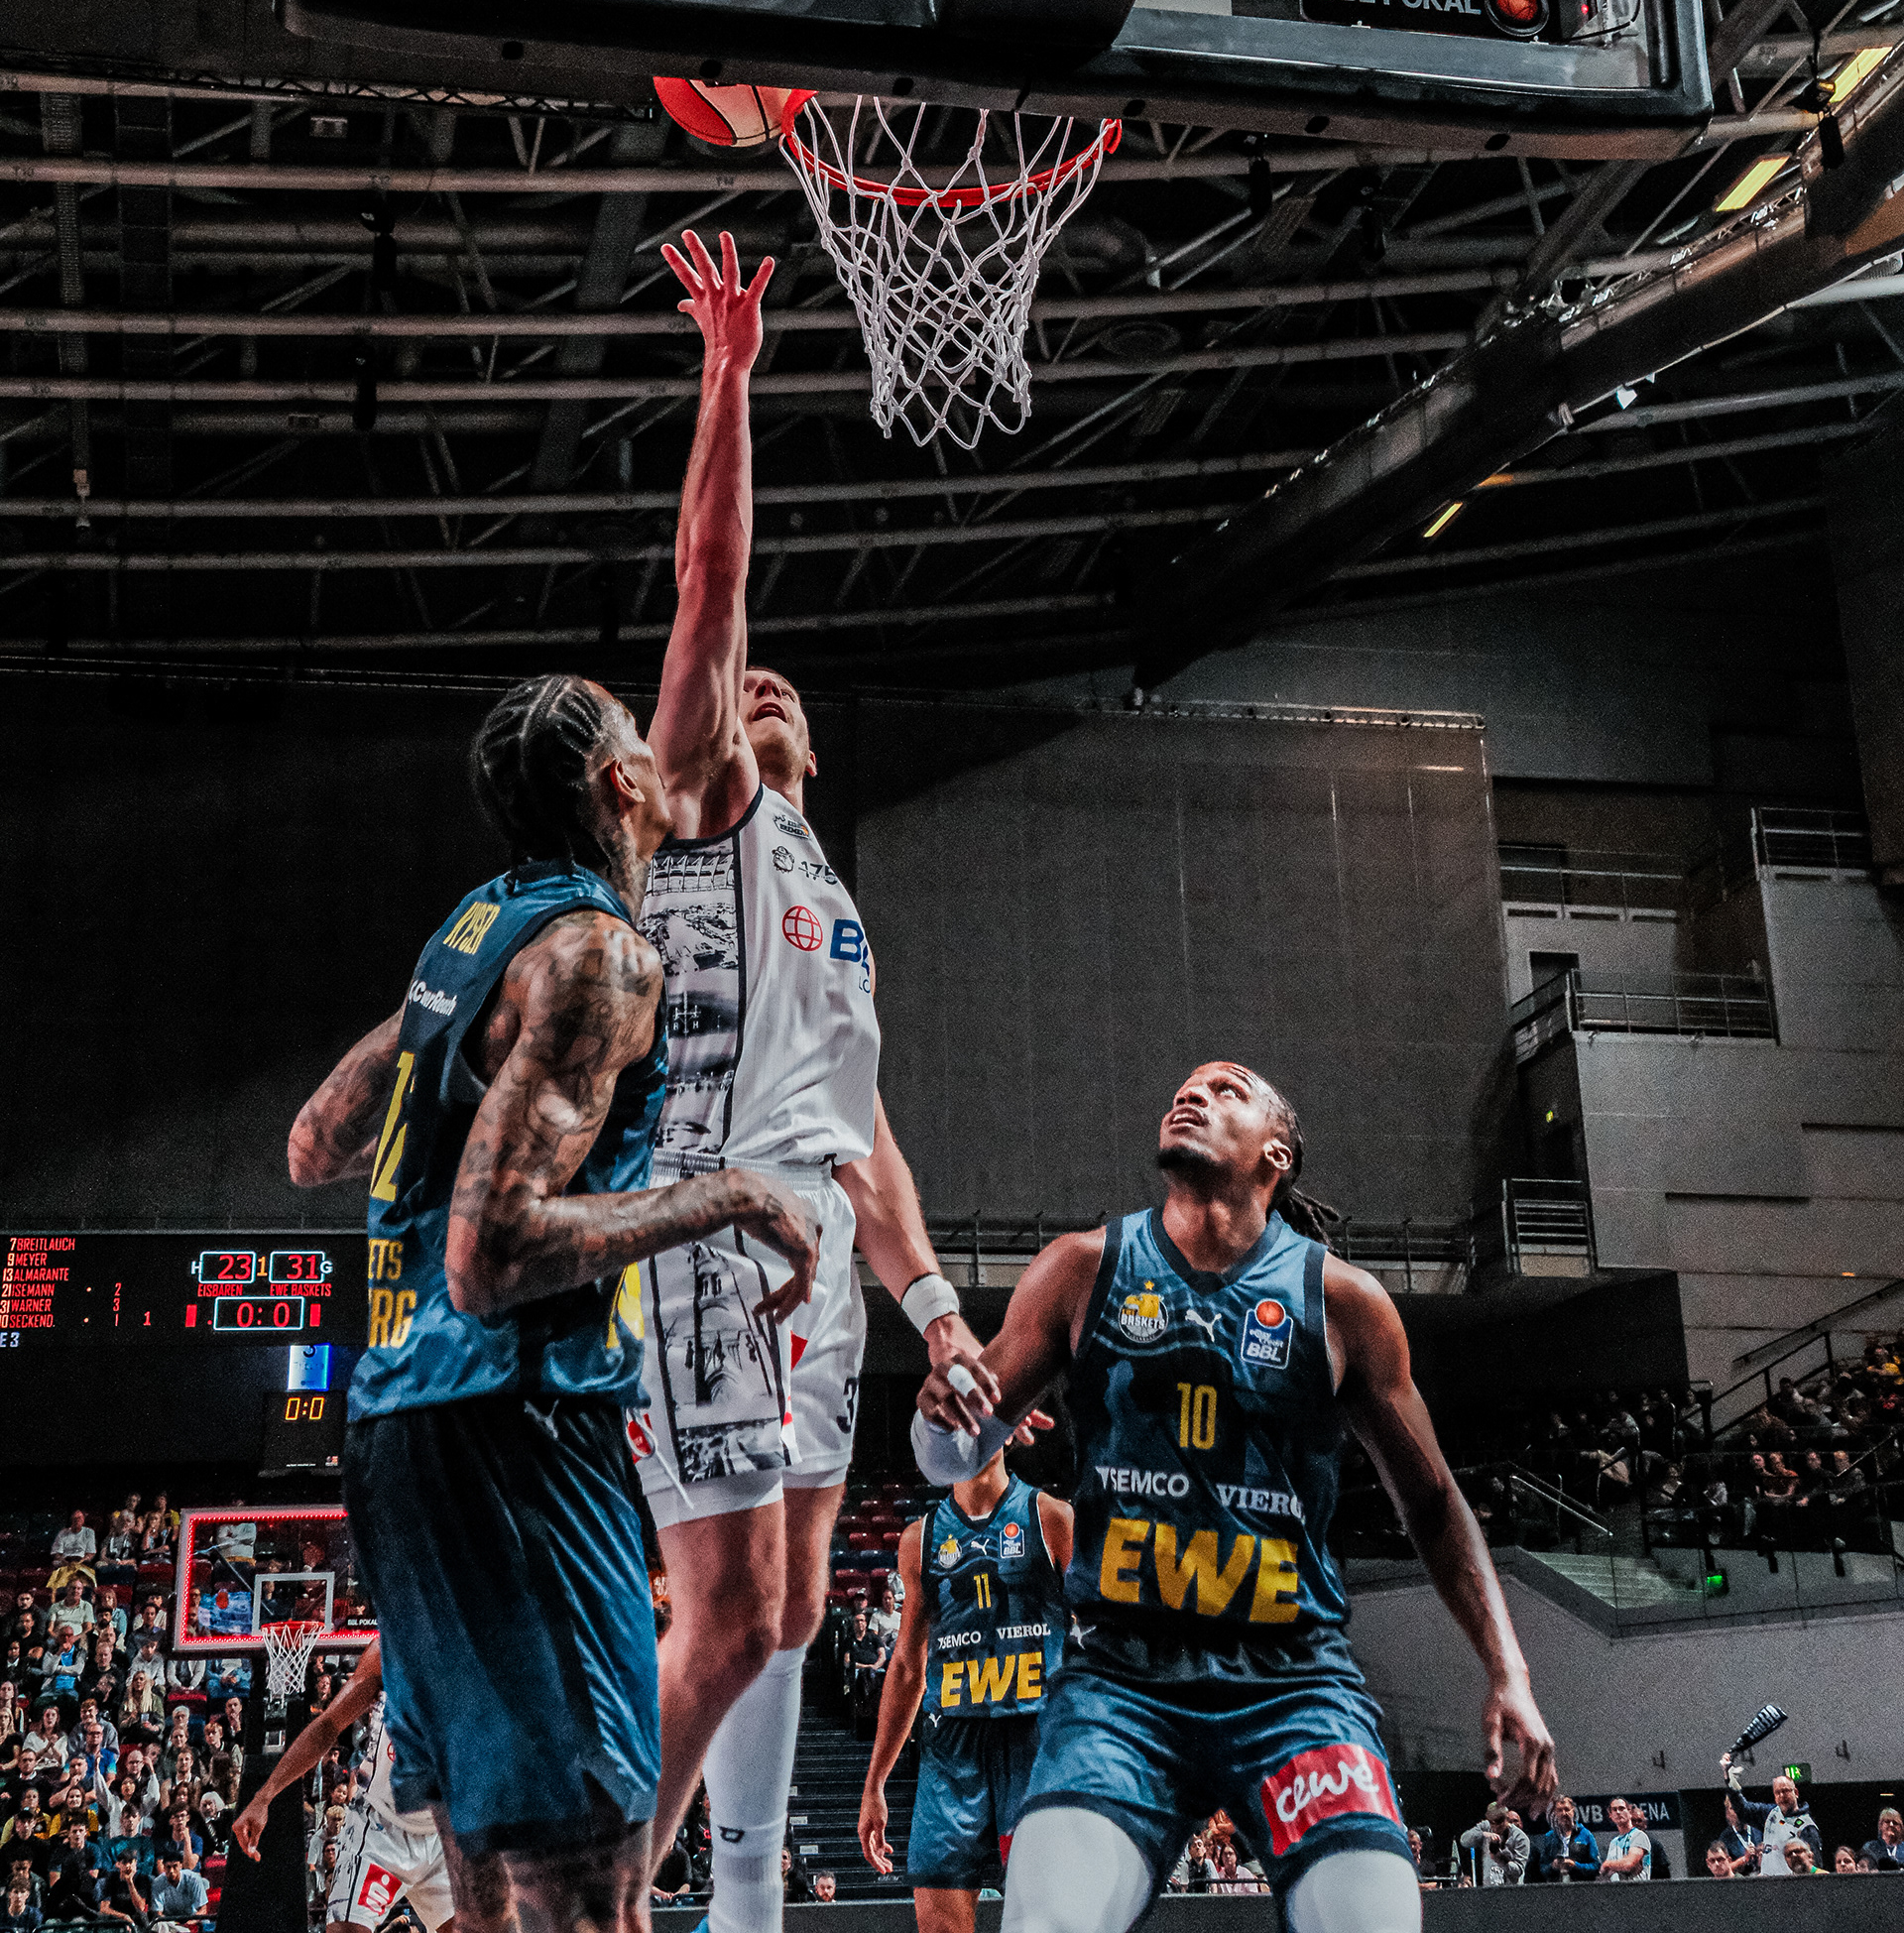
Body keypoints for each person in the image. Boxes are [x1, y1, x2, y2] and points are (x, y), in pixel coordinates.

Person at [290, 673, 821, 1933]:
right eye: (638, 732)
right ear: (621, 782)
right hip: (514, 1434)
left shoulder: (472, 939)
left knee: (491, 1898)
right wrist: (722, 1194)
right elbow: (491, 1256)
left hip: (397, 1431)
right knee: (591, 1897)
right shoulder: (599, 954)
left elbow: (313, 1142)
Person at [632, 232, 1000, 1933]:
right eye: (746, 689)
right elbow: (709, 589)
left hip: (827, 1261)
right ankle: (586, 1897)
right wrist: (728, 376)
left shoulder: (835, 909)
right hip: (715, 1231)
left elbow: (871, 1141)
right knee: (726, 1617)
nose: (762, 686)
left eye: (789, 694)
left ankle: (747, 1905)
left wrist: (938, 1308)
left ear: (820, 749)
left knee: (783, 1616)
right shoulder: (705, 816)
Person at [908, 1061, 1556, 1933]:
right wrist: (937, 1417)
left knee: (1375, 1922)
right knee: (1047, 1921)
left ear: (1275, 1154)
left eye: (1227, 1090)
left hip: (1293, 1682)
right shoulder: (1082, 1268)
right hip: (1121, 1684)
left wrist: (1509, 1672)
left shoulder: (1342, 1301)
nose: (1192, 1095)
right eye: (1186, 1087)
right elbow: (953, 1451)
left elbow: (1434, 1506)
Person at [860, 1453, 1073, 1929]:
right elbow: (907, 1668)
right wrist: (875, 1783)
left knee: (1049, 1917)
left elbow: (1101, 1634)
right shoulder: (920, 1539)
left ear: (1010, 1429)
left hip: (1035, 1739)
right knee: (937, 1921)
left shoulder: (1051, 1518)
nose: (971, 1428)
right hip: (952, 1747)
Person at [230, 1637, 449, 1933]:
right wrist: (264, 1796)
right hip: (382, 1828)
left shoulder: (488, 1660)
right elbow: (328, 1726)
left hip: (446, 1834)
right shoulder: (389, 1651)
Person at [1720, 1761, 1820, 1877]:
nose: (1782, 1796)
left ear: (1795, 1792)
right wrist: (1731, 1783)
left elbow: (1814, 1865)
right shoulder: (1770, 1813)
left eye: (1785, 1791)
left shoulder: (1806, 1826)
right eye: (1778, 1793)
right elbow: (1744, 1811)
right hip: (1767, 1882)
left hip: (1789, 1883)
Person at [1456, 1809, 1528, 1888]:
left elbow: (1518, 1871)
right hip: (1488, 1887)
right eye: (1492, 1824)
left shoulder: (1520, 1838)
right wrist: (1482, 1834)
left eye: (1499, 1824)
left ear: (1506, 1820)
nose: (1495, 1828)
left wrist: (1501, 1858)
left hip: (1511, 1888)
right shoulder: (1486, 1826)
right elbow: (1464, 1840)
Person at [1533, 1801, 1599, 1884]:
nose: (1564, 1813)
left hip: (1581, 1886)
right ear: (1554, 1814)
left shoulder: (1585, 1834)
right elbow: (1542, 1868)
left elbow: (1596, 1866)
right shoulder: (1549, 1837)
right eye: (1559, 1810)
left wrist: (1575, 1865)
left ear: (1573, 1811)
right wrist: (1553, 1866)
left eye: (1567, 1809)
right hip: (1556, 1886)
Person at [1600, 1802, 1651, 1883]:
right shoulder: (1614, 1842)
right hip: (1616, 1889)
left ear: (1629, 1812)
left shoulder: (1639, 1836)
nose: (1618, 1812)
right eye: (1614, 1810)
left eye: (1621, 1808)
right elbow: (1607, 1873)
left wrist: (1608, 1864)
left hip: (1636, 1889)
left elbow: (1629, 1864)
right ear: (1610, 1815)